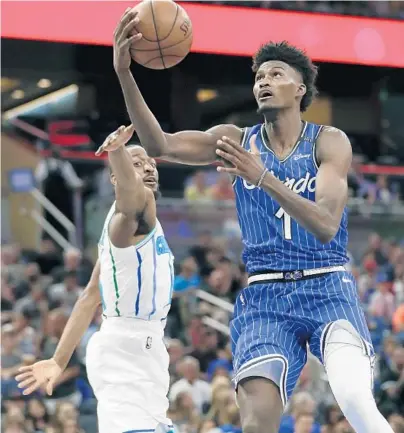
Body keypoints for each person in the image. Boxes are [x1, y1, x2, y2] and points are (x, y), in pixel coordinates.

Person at [112, 8, 393, 433]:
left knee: (355, 399)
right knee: (256, 423)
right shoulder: (234, 140)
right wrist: (124, 72)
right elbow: (159, 144)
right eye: (259, 76)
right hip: (265, 295)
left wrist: (262, 177)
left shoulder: (329, 142)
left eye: (275, 74)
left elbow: (326, 225)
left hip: (327, 283)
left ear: (300, 88)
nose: (263, 81)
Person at [16, 125, 175, 433]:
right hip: (126, 346)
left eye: (150, 163)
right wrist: (117, 152)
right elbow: (132, 196)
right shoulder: (124, 220)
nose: (148, 167)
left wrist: (58, 361)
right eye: (138, 163)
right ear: (115, 177)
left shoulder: (132, 227)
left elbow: (90, 296)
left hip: (147, 344)